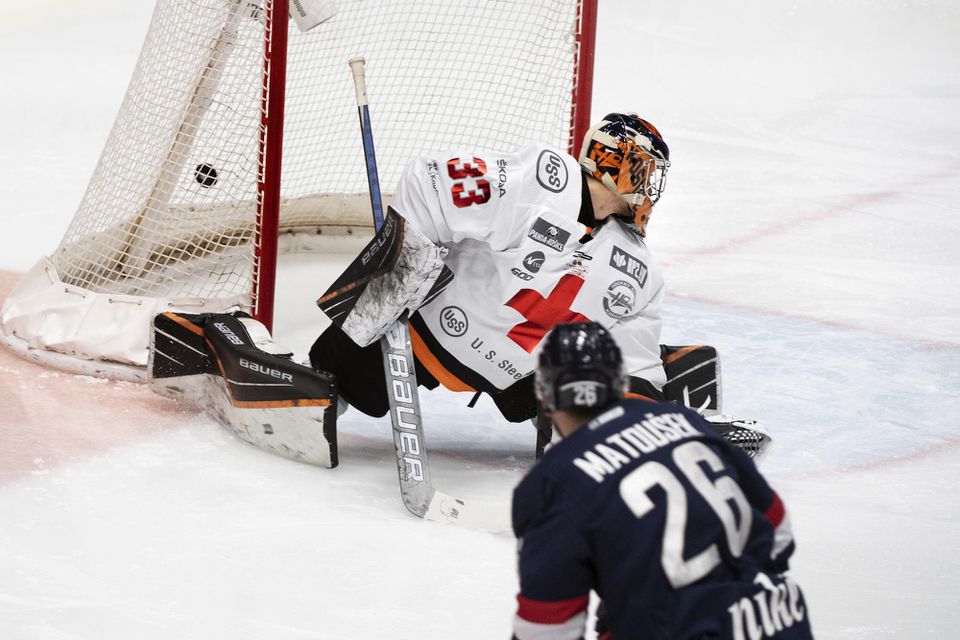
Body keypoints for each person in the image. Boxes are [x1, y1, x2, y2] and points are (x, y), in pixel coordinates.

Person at [311, 113, 672, 423]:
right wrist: (401, 273)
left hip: (518, 379)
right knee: (349, 379)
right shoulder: (545, 183)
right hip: (425, 334)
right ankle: (312, 394)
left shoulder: (636, 260)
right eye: (649, 171)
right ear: (625, 165)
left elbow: (632, 349)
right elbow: (430, 180)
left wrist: (639, 405)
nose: (651, 188)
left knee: (594, 376)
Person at [511, 322, 812, 640]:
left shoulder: (553, 481)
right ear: (619, 381)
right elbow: (778, 532)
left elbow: (546, 630)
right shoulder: (684, 419)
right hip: (781, 620)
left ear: (543, 397)